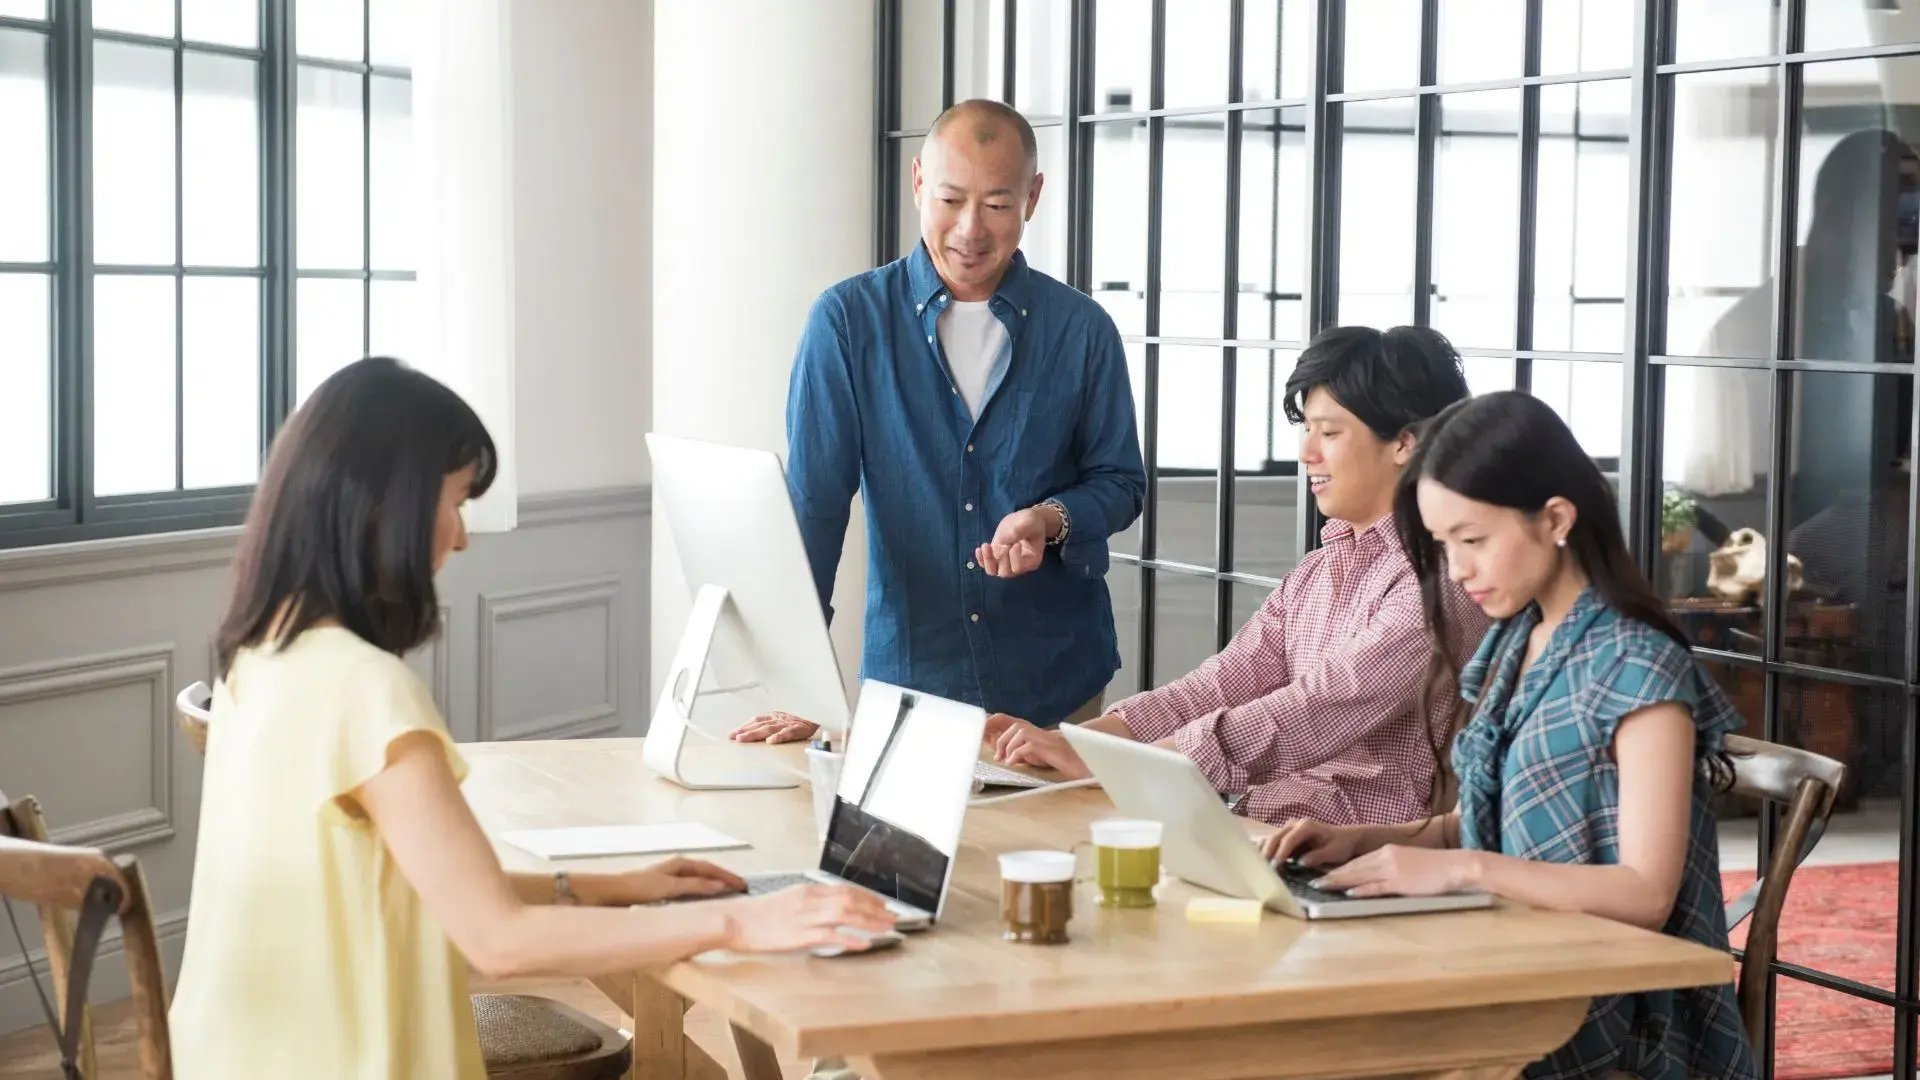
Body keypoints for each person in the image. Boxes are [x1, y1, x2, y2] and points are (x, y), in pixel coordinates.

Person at [169, 358, 894, 1078]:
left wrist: (615, 887)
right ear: (383, 506)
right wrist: (743, 921)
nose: (459, 537)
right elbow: (496, 942)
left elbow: (424, 881)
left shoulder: (261, 657)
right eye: (454, 502)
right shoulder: (365, 690)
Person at [1265, 391, 1757, 1080]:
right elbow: (1490, 826)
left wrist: (1460, 869)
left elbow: (1646, 894)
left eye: (1474, 541)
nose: (1458, 569)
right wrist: (1369, 839)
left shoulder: (1640, 665)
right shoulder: (1518, 639)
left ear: (1555, 519)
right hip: (1515, 964)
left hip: (1615, 1014)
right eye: (1442, 546)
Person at [728, 99, 1145, 747]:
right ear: (919, 181)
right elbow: (815, 506)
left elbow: (1119, 481)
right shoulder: (846, 323)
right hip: (914, 685)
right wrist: (805, 686)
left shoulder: (1082, 330)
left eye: (999, 205)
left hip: (1057, 683)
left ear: (1033, 197)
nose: (971, 230)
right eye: (951, 200)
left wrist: (1050, 518)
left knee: (1050, 850)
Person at [990, 325, 1488, 827]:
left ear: (1404, 442)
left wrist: (1127, 763)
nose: (1306, 452)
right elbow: (1222, 683)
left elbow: (1320, 706)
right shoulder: (1321, 568)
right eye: (1306, 430)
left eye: (1329, 433)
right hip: (1258, 824)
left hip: (1345, 852)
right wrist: (1083, 741)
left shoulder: (1441, 577)